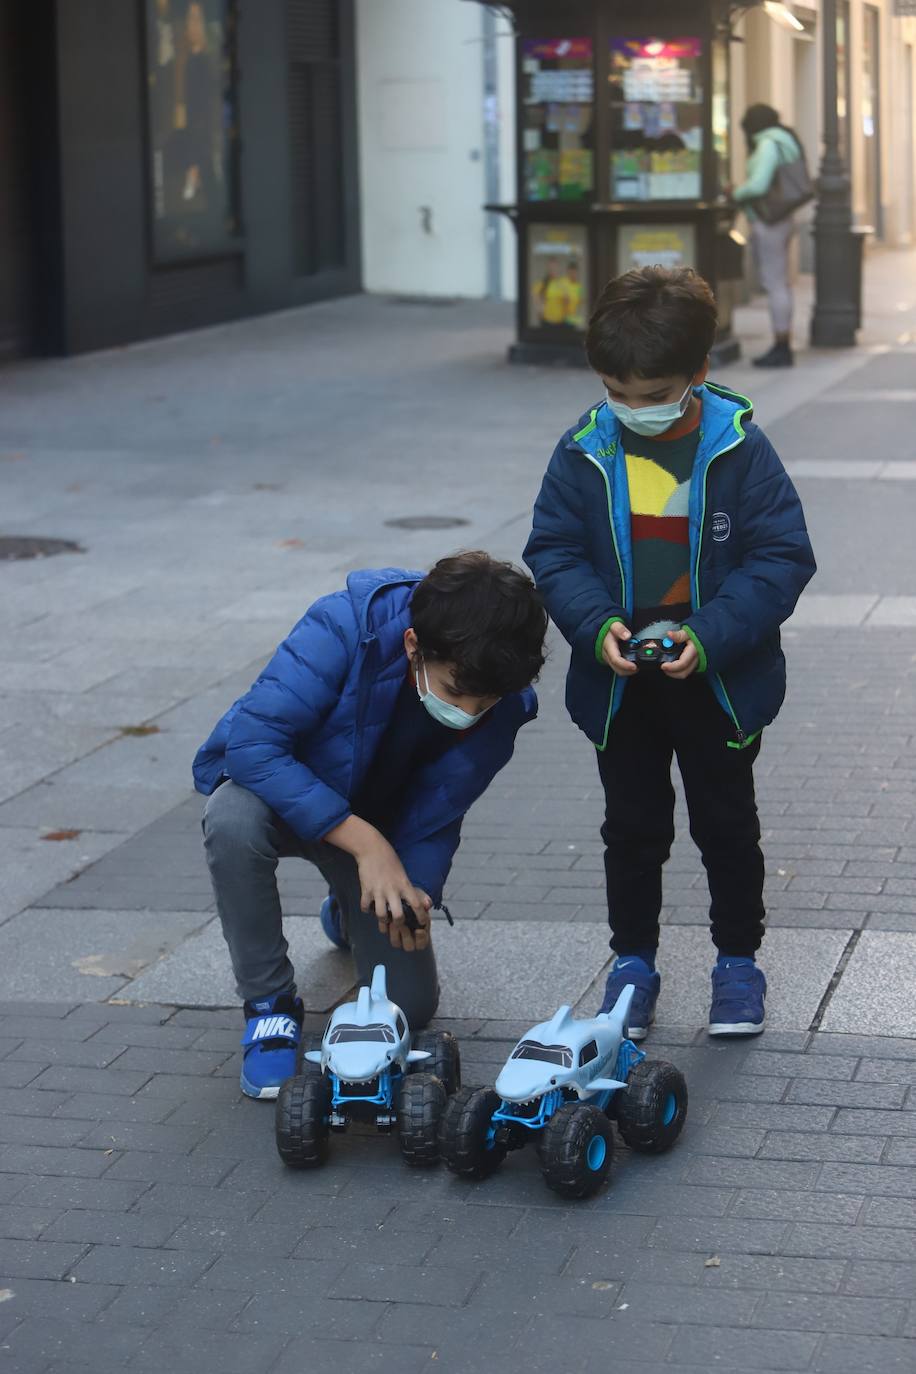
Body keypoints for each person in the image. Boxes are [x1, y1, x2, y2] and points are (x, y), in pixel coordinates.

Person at [524, 266, 815, 1040]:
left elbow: (782, 558)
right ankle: (633, 964)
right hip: (619, 682)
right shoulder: (584, 447)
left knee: (726, 823)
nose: (632, 410)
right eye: (617, 391)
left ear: (699, 373)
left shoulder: (740, 450)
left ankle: (737, 963)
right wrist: (594, 627)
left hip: (717, 680)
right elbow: (553, 551)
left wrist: (710, 636)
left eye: (652, 396)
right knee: (632, 827)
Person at [193, 553, 547, 1099]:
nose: (471, 712)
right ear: (413, 647)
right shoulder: (343, 624)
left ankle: (348, 907)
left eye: (486, 702)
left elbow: (441, 808)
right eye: (456, 693)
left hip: (376, 831)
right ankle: (270, 1008)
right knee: (231, 817)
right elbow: (252, 747)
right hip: (288, 801)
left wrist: (418, 889)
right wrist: (367, 844)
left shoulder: (504, 698)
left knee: (410, 1008)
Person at [732, 103, 808, 369]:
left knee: (775, 283)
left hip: (770, 221)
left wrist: (735, 194)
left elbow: (759, 184)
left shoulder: (767, 143)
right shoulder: (784, 139)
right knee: (781, 283)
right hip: (783, 218)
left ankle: (781, 346)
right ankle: (782, 342)